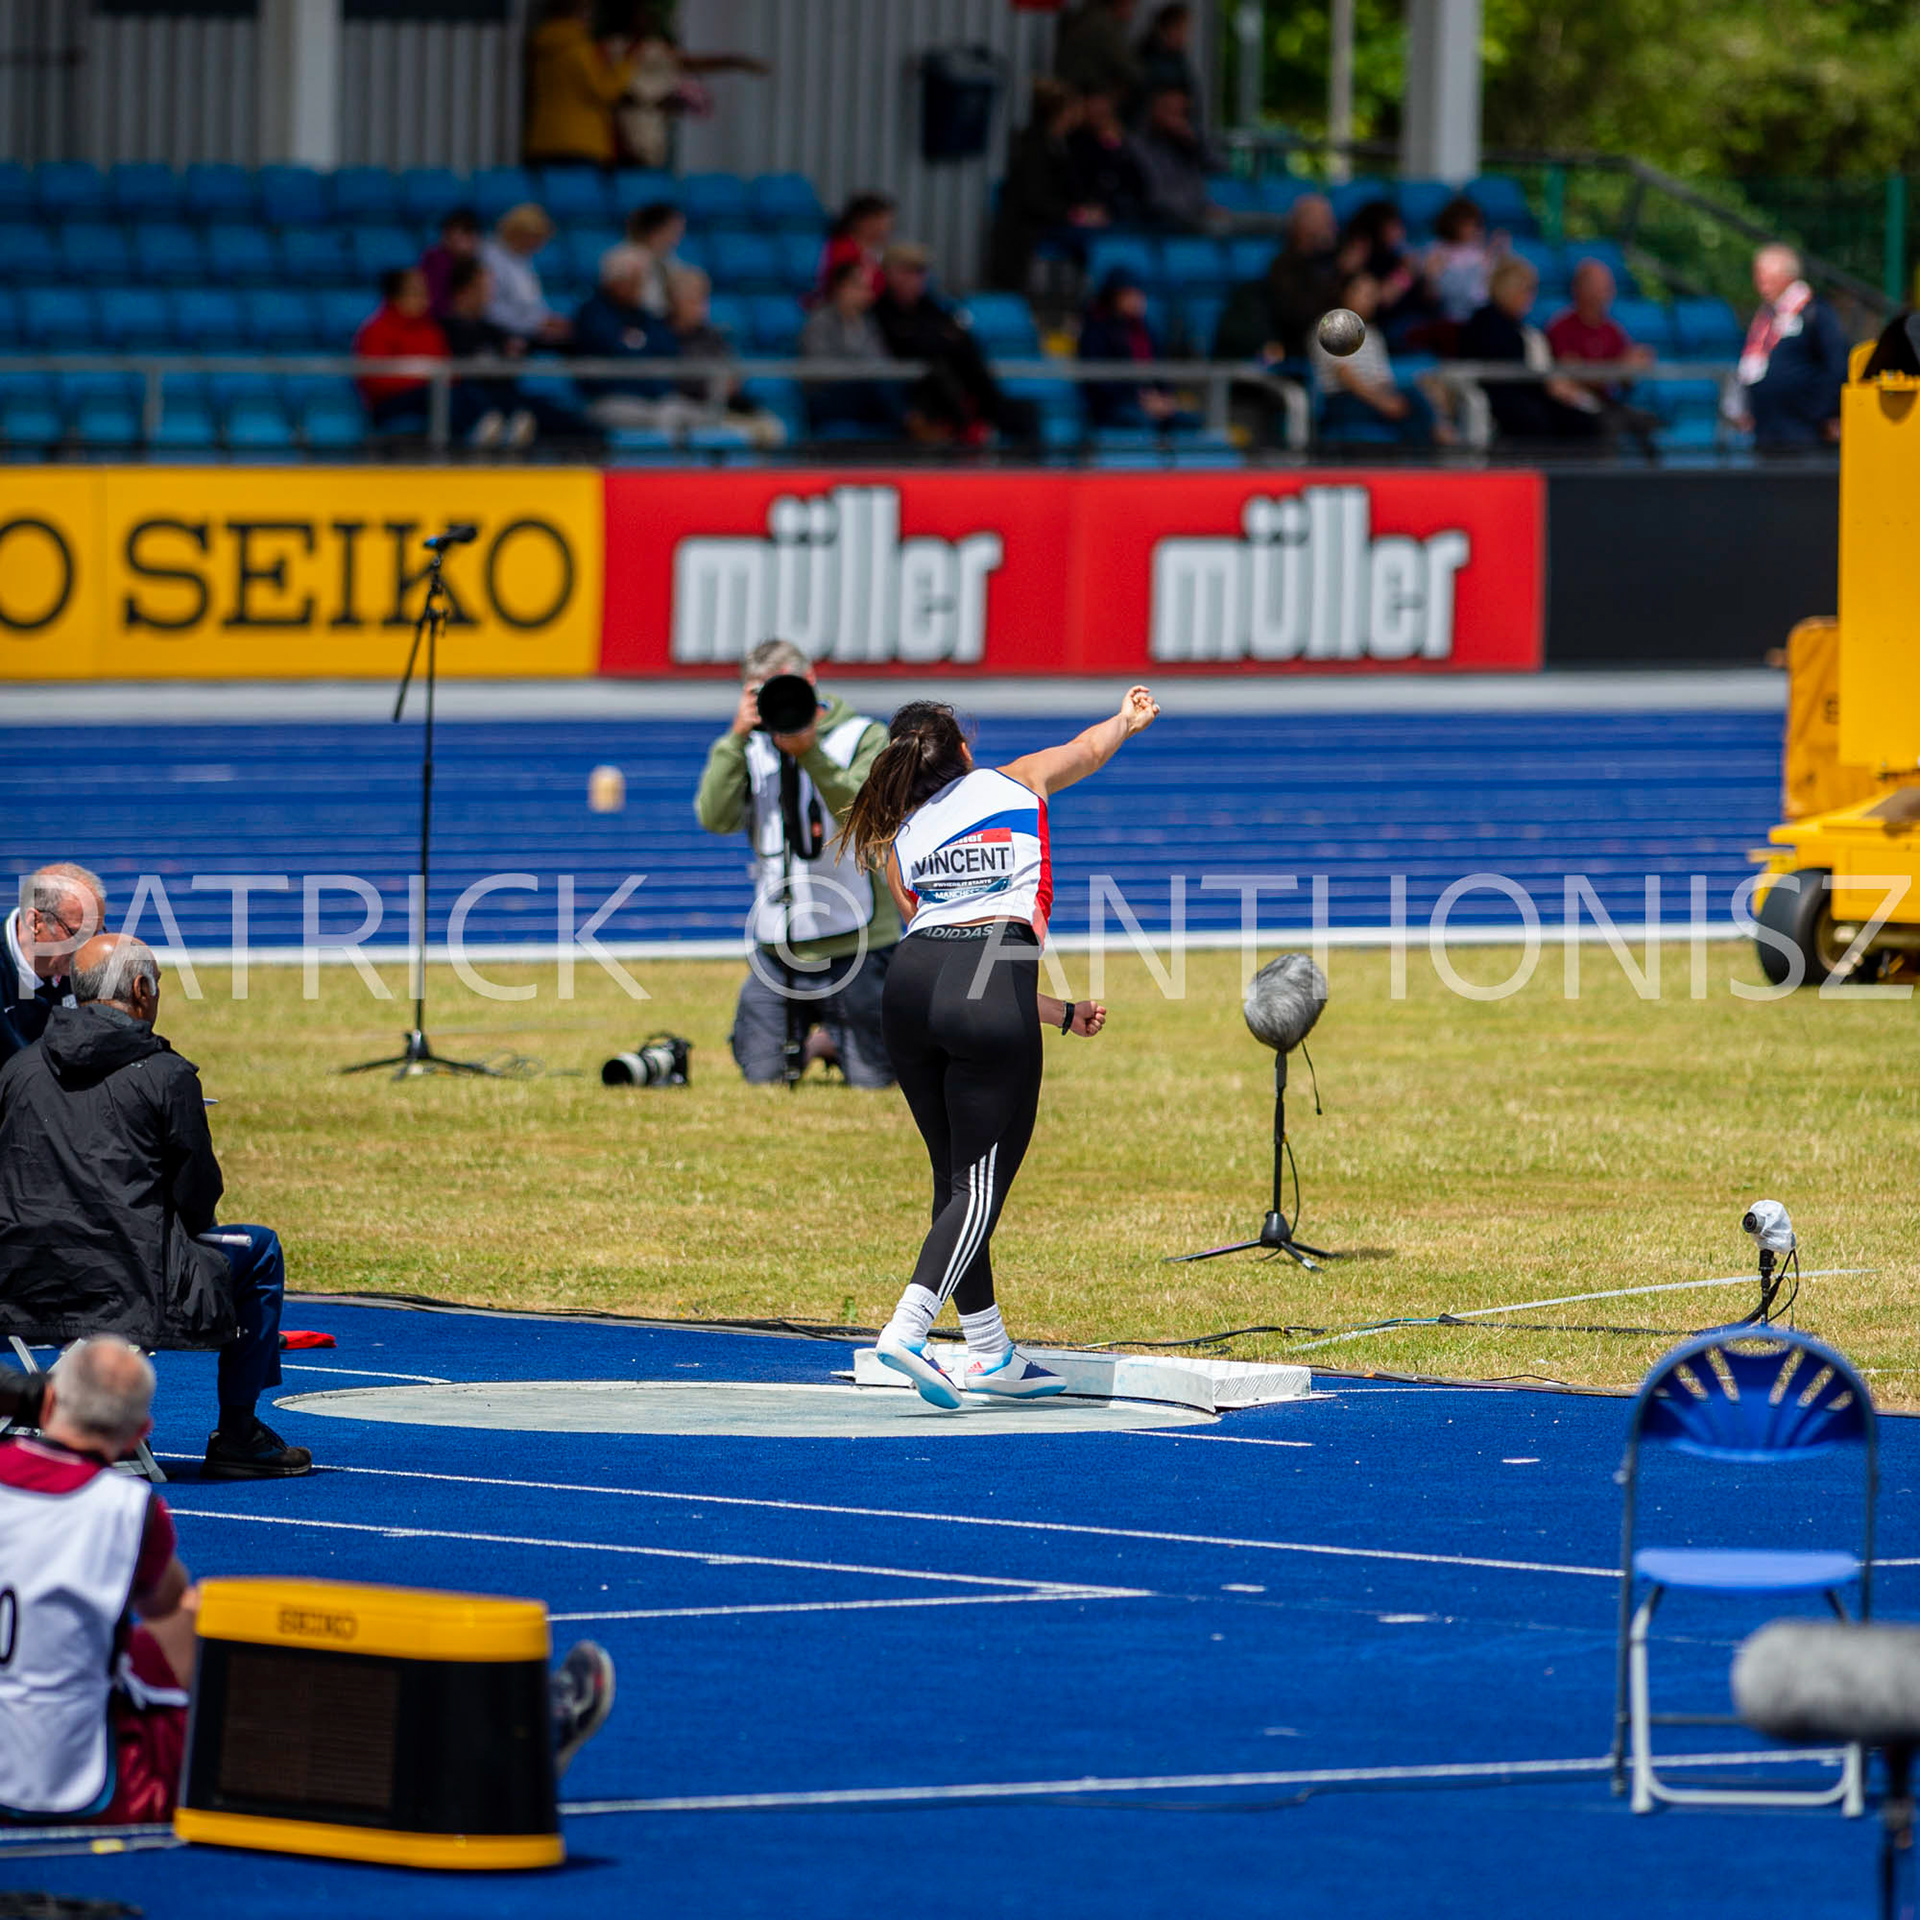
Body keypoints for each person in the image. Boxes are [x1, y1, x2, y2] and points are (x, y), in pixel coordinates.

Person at [0, 1337, 618, 1824]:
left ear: (45, 1404)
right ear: (141, 1435)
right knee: (248, 1669)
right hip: (74, 1787)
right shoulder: (123, 1511)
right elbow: (170, 1610)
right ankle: (508, 1753)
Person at [840, 687, 1160, 1406]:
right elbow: (1087, 751)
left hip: (911, 990)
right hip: (988, 977)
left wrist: (1055, 1012)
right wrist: (1127, 720)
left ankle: (989, 1350)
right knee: (978, 1188)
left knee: (958, 1181)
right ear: (959, 751)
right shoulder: (1013, 781)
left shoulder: (903, 835)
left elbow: (945, 945)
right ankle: (908, 1328)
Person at [0, 935, 309, 1477]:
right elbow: (197, 1199)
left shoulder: (18, 1069)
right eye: (159, 983)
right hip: (131, 1283)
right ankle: (238, 1431)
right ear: (142, 989)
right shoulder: (167, 1075)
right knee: (258, 1249)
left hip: (20, 1281)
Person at [693, 641, 900, 1088]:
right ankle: (818, 1042)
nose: (779, 703)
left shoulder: (864, 736)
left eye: (786, 689)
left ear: (810, 682)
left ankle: (837, 1040)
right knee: (762, 1076)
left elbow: (861, 812)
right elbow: (715, 817)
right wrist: (735, 740)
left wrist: (809, 750)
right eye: (763, 693)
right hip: (778, 944)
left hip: (857, 943)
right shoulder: (751, 746)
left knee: (876, 1080)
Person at [873, 242, 1039, 447]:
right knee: (940, 373)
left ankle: (1030, 468)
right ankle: (971, 428)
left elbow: (963, 340)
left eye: (920, 272)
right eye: (908, 271)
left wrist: (937, 339)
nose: (916, 279)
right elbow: (910, 345)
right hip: (913, 394)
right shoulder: (879, 310)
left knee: (1024, 412)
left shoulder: (931, 306)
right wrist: (940, 339)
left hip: (962, 389)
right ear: (890, 273)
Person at [1458, 258, 1603, 443]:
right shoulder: (1486, 322)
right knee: (1539, 419)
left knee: (1582, 419)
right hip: (1499, 397)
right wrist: (1546, 386)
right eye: (1527, 290)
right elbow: (1504, 371)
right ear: (1510, 289)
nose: (1530, 298)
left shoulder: (1518, 327)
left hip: (1527, 393)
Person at [987, 77, 1106, 293]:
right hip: (1028, 226)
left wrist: (1084, 211)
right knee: (1092, 241)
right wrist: (1074, 214)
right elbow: (1034, 199)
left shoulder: (1063, 145)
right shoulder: (1034, 147)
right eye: (1075, 107)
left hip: (1051, 220)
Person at [614, 10, 769, 170]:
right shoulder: (615, 49)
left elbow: (695, 63)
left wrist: (736, 62)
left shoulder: (658, 50)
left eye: (646, 20)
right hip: (623, 141)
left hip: (653, 141)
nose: (641, 25)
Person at [1732, 243, 1847, 451]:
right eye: (1759, 277)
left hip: (1806, 433)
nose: (1762, 285)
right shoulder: (1764, 318)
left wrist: (1822, 413)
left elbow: (1837, 366)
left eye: (1770, 278)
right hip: (1767, 432)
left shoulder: (1815, 312)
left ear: (1789, 278)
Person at [1310, 269, 1440, 446]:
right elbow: (1346, 376)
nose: (1369, 299)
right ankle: (1435, 450)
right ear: (1345, 293)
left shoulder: (1372, 334)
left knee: (1413, 396)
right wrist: (1382, 402)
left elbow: (1383, 377)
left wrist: (1391, 397)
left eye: (1372, 294)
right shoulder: (1333, 324)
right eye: (1363, 293)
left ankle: (1426, 455)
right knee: (1412, 410)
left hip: (1374, 394)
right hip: (1344, 399)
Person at [1214, 193, 1346, 363]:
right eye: (1326, 223)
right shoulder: (1283, 268)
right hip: (1295, 352)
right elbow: (1297, 317)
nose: (1332, 229)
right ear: (1302, 228)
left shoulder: (1338, 262)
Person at [1546, 258, 1659, 450]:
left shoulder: (1613, 330)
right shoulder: (1561, 327)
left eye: (1608, 286)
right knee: (1607, 425)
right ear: (1580, 289)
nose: (1606, 293)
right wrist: (1619, 366)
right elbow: (1576, 375)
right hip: (1575, 409)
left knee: (1650, 423)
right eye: (1599, 286)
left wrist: (1635, 366)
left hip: (1608, 404)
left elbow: (1624, 379)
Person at [570, 249, 689, 433]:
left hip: (658, 399)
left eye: (642, 280)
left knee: (699, 416)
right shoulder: (592, 315)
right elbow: (616, 352)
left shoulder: (644, 315)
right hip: (611, 399)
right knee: (661, 421)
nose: (640, 287)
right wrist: (641, 354)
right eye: (634, 280)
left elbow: (668, 348)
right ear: (615, 281)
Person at [666, 267, 786, 447]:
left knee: (772, 429)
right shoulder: (663, 335)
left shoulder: (712, 334)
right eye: (692, 301)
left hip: (725, 404)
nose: (699, 307)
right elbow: (671, 378)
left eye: (702, 300)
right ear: (674, 302)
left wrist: (731, 381)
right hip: (691, 406)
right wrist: (712, 382)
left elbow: (733, 369)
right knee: (736, 434)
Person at [3, 864, 105, 1066]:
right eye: (77, 934)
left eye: (94, 934)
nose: (87, 949)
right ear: (34, 922)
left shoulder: (89, 968)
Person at [799, 257, 906, 439]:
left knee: (890, 389)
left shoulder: (868, 323)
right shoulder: (819, 321)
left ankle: (910, 426)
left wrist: (862, 371)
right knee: (883, 393)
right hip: (828, 396)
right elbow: (817, 367)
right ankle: (913, 427)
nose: (867, 294)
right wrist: (858, 371)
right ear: (841, 288)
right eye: (860, 287)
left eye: (867, 289)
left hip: (863, 392)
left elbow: (880, 360)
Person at [521, 0, 635, 169]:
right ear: (578, 14)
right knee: (580, 194)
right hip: (581, 142)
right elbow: (604, 91)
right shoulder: (579, 48)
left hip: (542, 140)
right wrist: (626, 64)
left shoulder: (541, 44)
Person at [1078, 265, 1195, 429]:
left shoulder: (1145, 330)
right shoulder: (1096, 331)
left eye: (1138, 294)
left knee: (1189, 421)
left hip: (1148, 402)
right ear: (1114, 297)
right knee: (1139, 421)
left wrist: (1164, 398)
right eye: (1129, 294)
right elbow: (1099, 382)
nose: (1137, 300)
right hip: (1113, 406)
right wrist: (1140, 399)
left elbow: (1160, 369)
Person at [352, 266, 450, 434]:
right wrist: (418, 374)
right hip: (391, 402)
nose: (424, 299)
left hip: (431, 394)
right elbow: (375, 381)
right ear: (395, 296)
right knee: (442, 397)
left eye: (425, 293)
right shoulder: (375, 331)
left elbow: (449, 370)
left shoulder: (432, 330)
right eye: (416, 292)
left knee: (465, 394)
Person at [1126, 84, 1219, 232]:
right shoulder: (1137, 145)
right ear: (1154, 108)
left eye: (1181, 113)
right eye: (1169, 111)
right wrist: (1197, 212)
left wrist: (1194, 144)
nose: (1176, 120)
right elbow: (1155, 196)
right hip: (1158, 223)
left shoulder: (1187, 143)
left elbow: (1219, 168)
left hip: (1193, 217)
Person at [481, 204, 571, 347]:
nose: (538, 246)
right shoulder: (490, 258)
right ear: (519, 233)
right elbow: (490, 309)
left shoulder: (523, 260)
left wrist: (547, 320)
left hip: (527, 329)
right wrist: (535, 324)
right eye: (535, 239)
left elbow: (533, 302)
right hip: (499, 331)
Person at [1067, 88, 1148, 228]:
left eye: (1103, 110)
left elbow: (1137, 184)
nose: (1099, 113)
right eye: (1093, 108)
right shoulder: (1073, 143)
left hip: (1120, 216)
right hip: (1082, 217)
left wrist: (1114, 144)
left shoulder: (1119, 144)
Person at [1425, 194, 1504, 329]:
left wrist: (1494, 253)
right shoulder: (1437, 250)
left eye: (1475, 225)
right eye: (1467, 225)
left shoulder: (1480, 250)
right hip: (1452, 316)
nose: (1472, 229)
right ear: (1454, 225)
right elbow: (1433, 293)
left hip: (1482, 315)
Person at [599, 199, 688, 317]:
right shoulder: (621, 257)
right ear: (656, 229)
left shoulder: (670, 261)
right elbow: (619, 297)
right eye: (673, 231)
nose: (677, 238)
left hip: (662, 323)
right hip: (631, 319)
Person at [1055, 0, 1140, 105]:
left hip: (1083, 84)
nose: (1132, 14)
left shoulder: (1094, 16)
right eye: (1131, 6)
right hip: (1080, 89)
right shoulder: (1102, 24)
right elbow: (1129, 68)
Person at [816, 192, 896, 303]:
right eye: (881, 221)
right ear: (862, 221)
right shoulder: (843, 250)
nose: (886, 228)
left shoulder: (874, 252)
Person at [1132, 4, 1200, 128]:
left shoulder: (1178, 59)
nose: (1184, 36)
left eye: (1186, 30)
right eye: (1180, 29)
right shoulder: (1150, 60)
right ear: (1166, 29)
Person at [420, 205, 483, 318]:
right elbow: (435, 305)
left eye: (472, 235)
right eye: (463, 234)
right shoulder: (436, 261)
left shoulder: (473, 262)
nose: (470, 241)